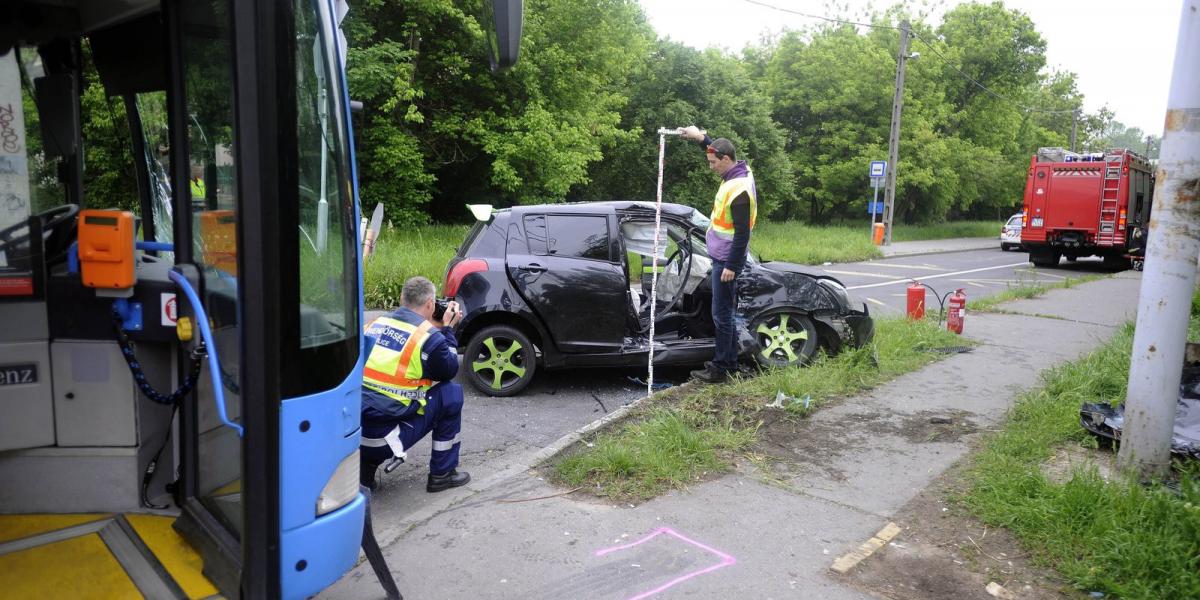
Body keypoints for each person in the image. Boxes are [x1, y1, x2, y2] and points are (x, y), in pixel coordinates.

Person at [359, 276, 470, 492]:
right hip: (385, 442)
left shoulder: (372, 324)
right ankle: (442, 474)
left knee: (373, 400)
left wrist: (431, 329)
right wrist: (446, 330)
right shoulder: (429, 339)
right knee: (451, 394)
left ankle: (365, 475)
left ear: (402, 298)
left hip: (354, 437)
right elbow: (448, 370)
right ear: (430, 304)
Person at [680, 126, 757, 383]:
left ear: (725, 160)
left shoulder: (739, 191)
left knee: (721, 315)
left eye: (713, 162)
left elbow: (743, 233)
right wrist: (701, 138)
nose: (711, 166)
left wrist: (732, 266)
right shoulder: (737, 172)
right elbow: (716, 148)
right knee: (724, 312)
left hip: (727, 259)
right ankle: (731, 362)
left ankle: (722, 368)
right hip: (723, 257)